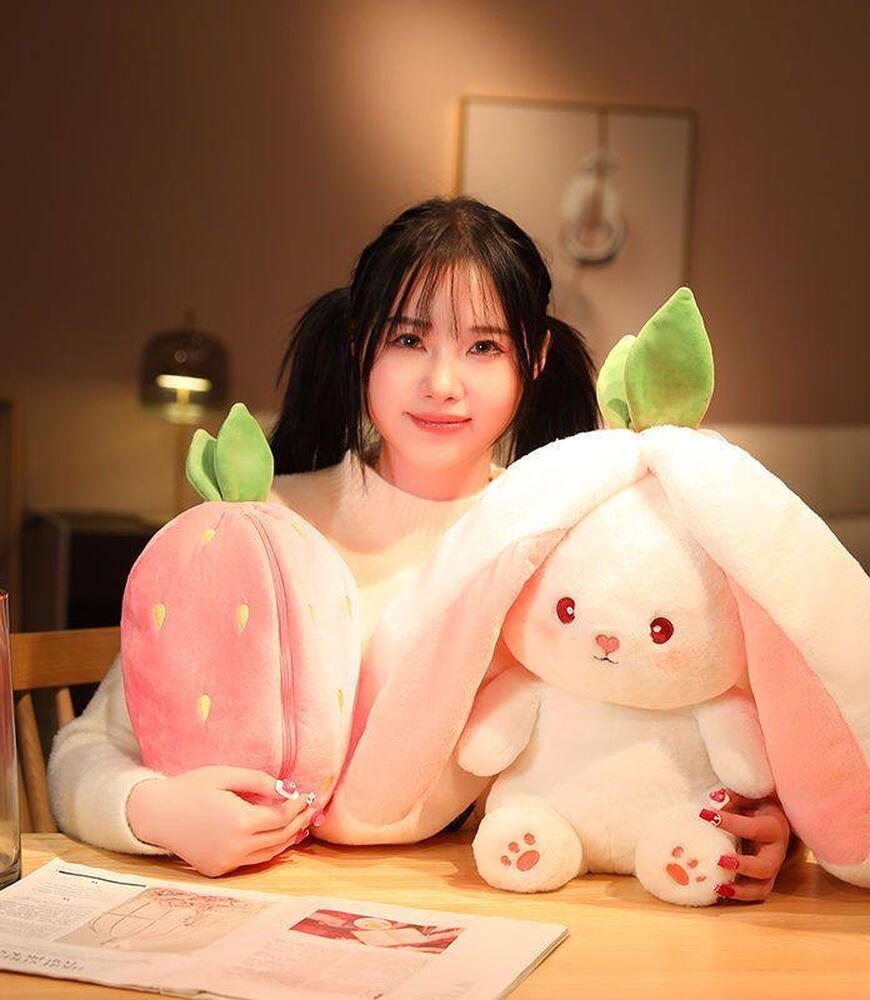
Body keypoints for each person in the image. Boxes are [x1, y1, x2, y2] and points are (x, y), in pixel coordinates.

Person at [47, 196, 790, 897]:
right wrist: (159, 813)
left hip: (493, 911)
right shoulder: (255, 527)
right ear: (358, 346)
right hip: (253, 902)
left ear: (534, 360)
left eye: (483, 346)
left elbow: (682, 737)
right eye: (408, 339)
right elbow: (86, 752)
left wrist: (757, 828)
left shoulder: (575, 543)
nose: (442, 383)